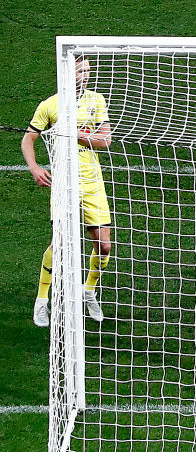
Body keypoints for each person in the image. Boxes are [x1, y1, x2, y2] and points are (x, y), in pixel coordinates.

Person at [22, 56, 111, 326]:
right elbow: (28, 140)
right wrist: (35, 169)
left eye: (87, 71)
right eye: (80, 71)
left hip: (92, 181)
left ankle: (88, 291)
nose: (85, 75)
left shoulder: (96, 100)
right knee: (59, 246)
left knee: (104, 246)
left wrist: (77, 134)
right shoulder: (50, 105)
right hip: (64, 182)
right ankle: (42, 300)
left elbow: (105, 140)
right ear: (68, 73)